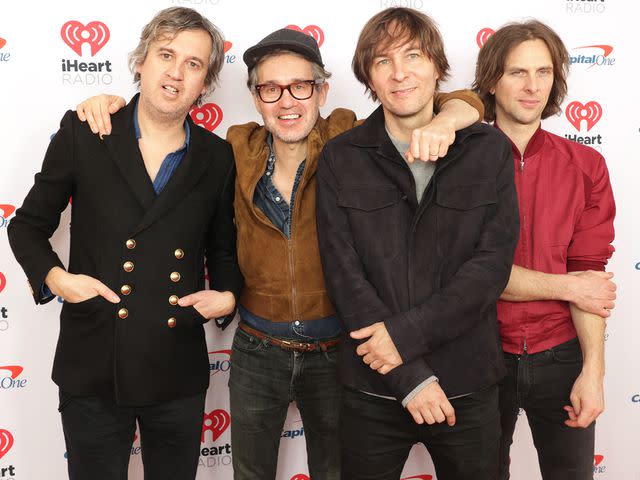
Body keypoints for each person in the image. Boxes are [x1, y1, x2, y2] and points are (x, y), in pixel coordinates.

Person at [74, 27, 483, 480]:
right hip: (256, 350)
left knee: (334, 472)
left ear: (322, 90)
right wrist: (107, 103)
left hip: (336, 351)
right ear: (254, 97)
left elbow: (444, 99)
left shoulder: (348, 138)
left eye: (300, 86)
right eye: (270, 88)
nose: (286, 101)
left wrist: (449, 119)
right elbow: (162, 131)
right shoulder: (234, 147)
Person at [7, 7, 243, 480]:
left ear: (206, 82)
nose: (176, 73)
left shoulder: (217, 157)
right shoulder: (87, 131)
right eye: (166, 55)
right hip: (93, 361)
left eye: (193, 64)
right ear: (141, 62)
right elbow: (26, 225)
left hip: (176, 365)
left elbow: (222, 247)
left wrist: (229, 294)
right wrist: (57, 279)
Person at [315, 7, 520, 480]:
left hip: (468, 383)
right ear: (368, 74)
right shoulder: (341, 157)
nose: (400, 72)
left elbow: (490, 268)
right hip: (373, 388)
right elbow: (344, 275)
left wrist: (405, 339)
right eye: (383, 61)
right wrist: (410, 377)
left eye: (413, 55)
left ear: (437, 66)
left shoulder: (488, 151)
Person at [472, 20, 616, 479]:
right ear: (493, 80)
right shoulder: (457, 162)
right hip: (479, 354)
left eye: (544, 72)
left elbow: (590, 278)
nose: (533, 86)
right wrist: (568, 286)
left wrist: (593, 371)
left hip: (562, 355)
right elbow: (472, 275)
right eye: (517, 72)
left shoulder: (587, 165)